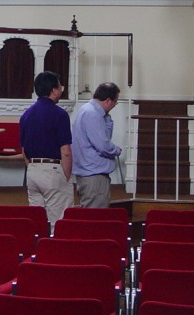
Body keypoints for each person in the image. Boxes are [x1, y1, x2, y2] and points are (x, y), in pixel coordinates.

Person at [19, 71, 74, 226]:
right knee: (59, 223)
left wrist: (32, 167)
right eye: (60, 86)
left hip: (33, 170)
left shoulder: (26, 115)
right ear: (53, 90)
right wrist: (66, 176)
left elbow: (23, 149)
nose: (61, 90)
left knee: (37, 221)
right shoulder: (60, 114)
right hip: (53, 170)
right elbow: (66, 151)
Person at [72, 82, 122, 208]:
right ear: (108, 101)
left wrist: (107, 117)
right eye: (115, 102)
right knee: (95, 216)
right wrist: (116, 150)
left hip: (89, 173)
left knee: (92, 213)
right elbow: (103, 145)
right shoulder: (92, 114)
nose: (115, 105)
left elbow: (104, 137)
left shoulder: (87, 110)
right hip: (94, 176)